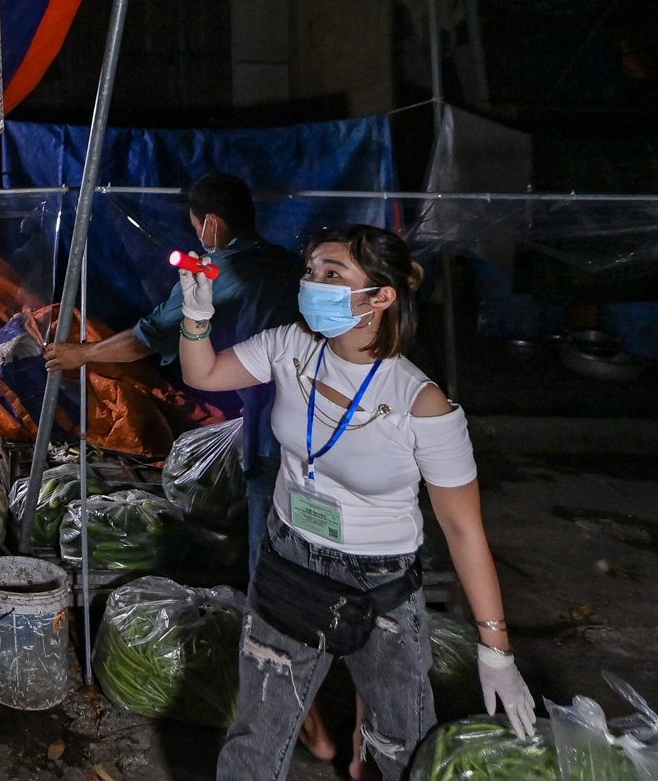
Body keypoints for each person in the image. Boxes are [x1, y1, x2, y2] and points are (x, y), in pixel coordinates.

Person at [176, 223, 536, 780]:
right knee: (255, 738)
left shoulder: (420, 402)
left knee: (401, 746)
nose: (312, 282)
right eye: (311, 270)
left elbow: (464, 530)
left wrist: (496, 648)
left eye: (332, 273)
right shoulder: (290, 346)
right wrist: (196, 317)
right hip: (288, 559)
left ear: (380, 297)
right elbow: (202, 373)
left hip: (379, 585)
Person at [44, 174, 300, 563]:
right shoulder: (292, 266)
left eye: (196, 226)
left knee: (268, 546)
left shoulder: (213, 274)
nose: (197, 234)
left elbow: (146, 339)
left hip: (270, 432)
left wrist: (82, 354)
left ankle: (264, 592)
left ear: (211, 223)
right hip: (319, 428)